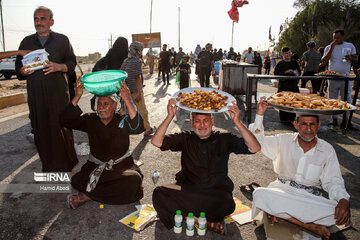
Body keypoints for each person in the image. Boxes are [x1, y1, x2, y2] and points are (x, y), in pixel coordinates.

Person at [151, 99, 261, 234]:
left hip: (214, 195)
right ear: (191, 123)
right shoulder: (185, 138)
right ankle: (202, 221)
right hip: (188, 190)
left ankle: (186, 214)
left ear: (212, 122)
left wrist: (237, 122)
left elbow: (255, 148)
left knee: (227, 203)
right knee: (159, 193)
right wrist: (169, 116)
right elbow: (156, 142)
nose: (202, 125)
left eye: (206, 120)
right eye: (197, 121)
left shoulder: (225, 138)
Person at [249, 98, 351, 240]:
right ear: (296, 124)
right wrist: (259, 114)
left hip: (309, 198)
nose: (308, 129)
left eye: (312, 125)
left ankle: (282, 214)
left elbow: (333, 180)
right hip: (282, 191)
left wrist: (343, 200)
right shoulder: (283, 140)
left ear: (318, 125)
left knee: (335, 212)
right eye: (303, 124)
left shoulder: (327, 150)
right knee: (260, 194)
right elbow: (256, 142)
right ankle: (308, 225)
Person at [61, 78, 145, 209]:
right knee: (76, 180)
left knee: (134, 180)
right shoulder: (90, 119)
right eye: (99, 104)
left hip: (121, 167)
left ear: (115, 106)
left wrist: (128, 99)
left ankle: (87, 196)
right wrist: (77, 96)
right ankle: (112, 191)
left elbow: (138, 128)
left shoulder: (122, 120)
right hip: (95, 167)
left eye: (106, 104)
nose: (101, 107)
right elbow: (66, 120)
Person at [15, 6, 78, 172]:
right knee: (41, 131)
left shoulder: (62, 40)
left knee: (62, 128)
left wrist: (59, 66)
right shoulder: (26, 42)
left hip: (58, 94)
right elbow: (18, 69)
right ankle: (48, 166)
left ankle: (69, 165)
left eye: (43, 19)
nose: (39, 22)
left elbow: (72, 63)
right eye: (36, 19)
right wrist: (22, 71)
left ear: (51, 21)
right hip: (36, 96)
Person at [321, 29, 358, 128]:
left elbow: (356, 59)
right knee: (332, 99)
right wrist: (331, 48)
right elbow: (324, 61)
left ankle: (346, 120)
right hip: (332, 77)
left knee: (347, 99)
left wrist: (351, 58)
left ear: (343, 37)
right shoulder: (329, 47)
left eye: (338, 38)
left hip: (345, 77)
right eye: (334, 38)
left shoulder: (349, 46)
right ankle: (334, 119)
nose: (336, 39)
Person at [121, 41, 153, 136]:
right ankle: (147, 129)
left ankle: (123, 129)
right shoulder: (136, 61)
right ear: (137, 50)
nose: (141, 52)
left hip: (125, 91)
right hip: (135, 91)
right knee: (142, 111)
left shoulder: (125, 61)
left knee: (124, 111)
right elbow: (137, 78)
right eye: (141, 50)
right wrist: (139, 93)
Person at [274, 46, 301, 122]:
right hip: (283, 87)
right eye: (286, 53)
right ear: (283, 54)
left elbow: (299, 72)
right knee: (283, 104)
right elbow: (276, 74)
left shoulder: (295, 63)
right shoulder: (280, 64)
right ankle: (284, 119)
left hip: (293, 87)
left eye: (289, 53)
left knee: (293, 103)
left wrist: (296, 73)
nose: (288, 54)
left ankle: (292, 118)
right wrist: (285, 72)